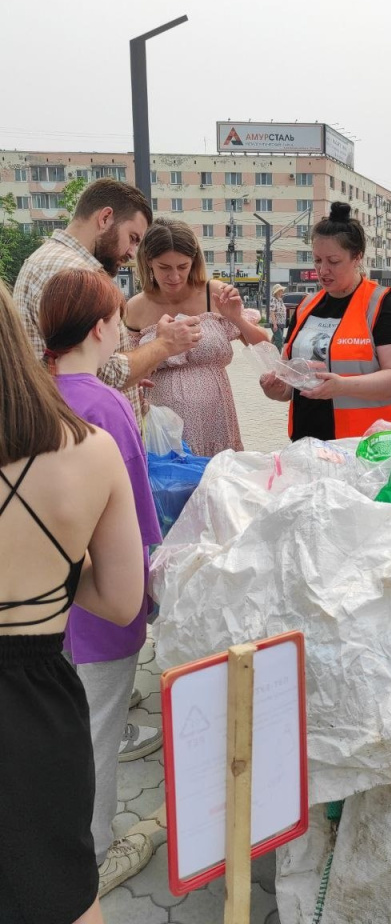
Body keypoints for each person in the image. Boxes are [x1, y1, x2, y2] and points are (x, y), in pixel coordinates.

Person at [0, 278, 144, 924]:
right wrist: (57, 569)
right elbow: (121, 600)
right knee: (62, 897)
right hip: (36, 715)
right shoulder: (91, 448)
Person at [38, 268, 163, 898]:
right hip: (99, 596)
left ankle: (55, 832)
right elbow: (137, 518)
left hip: (39, 597)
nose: (124, 329)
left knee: (62, 723)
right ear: (99, 327)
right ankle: (94, 850)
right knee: (100, 725)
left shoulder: (31, 390)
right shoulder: (104, 403)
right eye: (120, 320)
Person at [13, 177, 202, 431]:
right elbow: (105, 373)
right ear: (105, 218)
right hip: (86, 438)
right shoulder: (74, 273)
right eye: (133, 237)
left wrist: (135, 375)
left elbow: (85, 366)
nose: (132, 252)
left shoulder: (50, 260)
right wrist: (164, 344)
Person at [259, 202, 391, 441]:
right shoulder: (306, 306)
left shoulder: (383, 305)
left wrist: (343, 386)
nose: (323, 270)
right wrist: (278, 389)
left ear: (357, 257)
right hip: (306, 442)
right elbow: (291, 378)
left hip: (363, 446)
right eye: (317, 260)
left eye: (333, 261)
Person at [126, 219, 269, 456]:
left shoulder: (214, 293)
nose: (174, 276)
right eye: (164, 267)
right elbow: (128, 369)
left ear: (194, 261)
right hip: (164, 427)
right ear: (148, 262)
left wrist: (237, 318)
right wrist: (159, 346)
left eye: (182, 266)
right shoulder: (136, 307)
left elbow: (264, 345)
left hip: (217, 422)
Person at [270, 283, 287, 351]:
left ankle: (270, 351)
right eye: (281, 290)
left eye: (282, 290)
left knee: (276, 339)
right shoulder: (273, 299)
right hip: (276, 323)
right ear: (277, 291)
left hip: (281, 323)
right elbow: (272, 312)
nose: (282, 292)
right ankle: (276, 355)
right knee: (279, 340)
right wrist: (274, 324)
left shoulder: (280, 300)